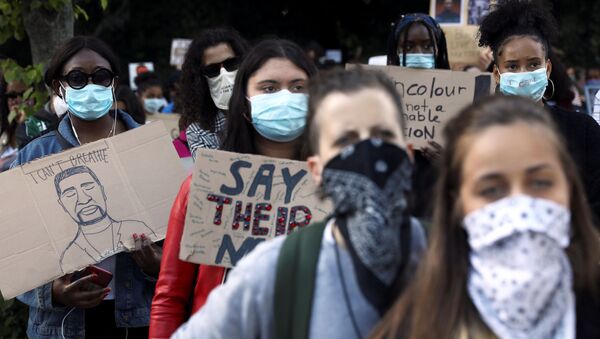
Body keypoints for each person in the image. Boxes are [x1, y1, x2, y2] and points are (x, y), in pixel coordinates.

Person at [171, 68, 426, 339]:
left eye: (381, 135)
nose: (367, 152)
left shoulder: (457, 258)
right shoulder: (274, 270)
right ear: (316, 170)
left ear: (408, 154)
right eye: (345, 140)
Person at [371, 95, 600, 339]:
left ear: (570, 189)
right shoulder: (414, 325)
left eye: (540, 182)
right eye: (491, 189)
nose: (518, 205)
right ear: (457, 203)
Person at [149, 38, 317, 338]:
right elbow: (170, 299)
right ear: (245, 101)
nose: (284, 97)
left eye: (297, 87)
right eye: (268, 88)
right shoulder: (203, 186)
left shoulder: (338, 188)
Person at [12, 36, 160, 339]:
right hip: (61, 326)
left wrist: (158, 265)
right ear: (59, 87)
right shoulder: (34, 157)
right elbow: (11, 251)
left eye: (101, 76)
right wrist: (50, 292)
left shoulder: (152, 152)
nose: (91, 86)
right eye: (77, 78)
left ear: (115, 83)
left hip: (138, 321)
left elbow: (184, 247)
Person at [478, 0, 600, 224]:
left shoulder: (584, 132)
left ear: (548, 68)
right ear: (497, 74)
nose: (524, 73)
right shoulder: (479, 138)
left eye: (533, 64)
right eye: (512, 66)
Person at [386, 13, 449, 219]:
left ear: (438, 49)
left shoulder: (460, 101)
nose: (418, 53)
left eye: (427, 45)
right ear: (395, 51)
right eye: (409, 46)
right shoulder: (380, 101)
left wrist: (448, 162)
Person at [56, 165, 155, 271]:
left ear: (102, 191)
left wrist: (159, 267)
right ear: (62, 205)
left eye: (89, 187)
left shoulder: (137, 228)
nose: (84, 200)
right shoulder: (68, 256)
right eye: (70, 194)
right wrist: (52, 288)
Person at [179, 28, 249, 159]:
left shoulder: (267, 109)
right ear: (200, 77)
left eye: (231, 63)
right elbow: (215, 176)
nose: (224, 73)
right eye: (212, 69)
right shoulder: (199, 133)